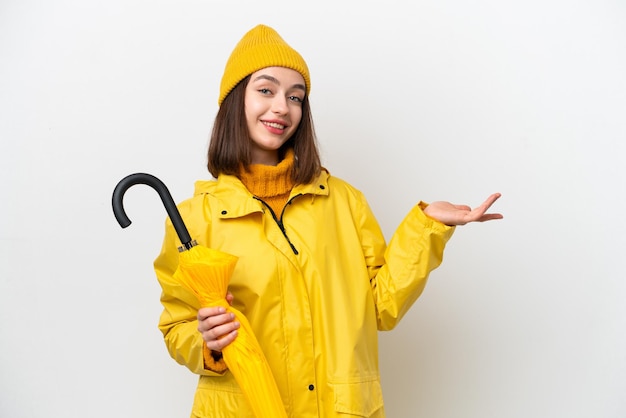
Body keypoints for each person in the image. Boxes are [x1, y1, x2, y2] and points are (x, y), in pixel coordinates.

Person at [153, 24, 502, 418]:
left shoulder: (344, 202)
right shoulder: (191, 220)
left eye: (295, 97)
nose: (282, 107)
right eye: (265, 90)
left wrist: (427, 228)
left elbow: (380, 308)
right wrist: (208, 344)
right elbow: (177, 324)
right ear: (236, 101)